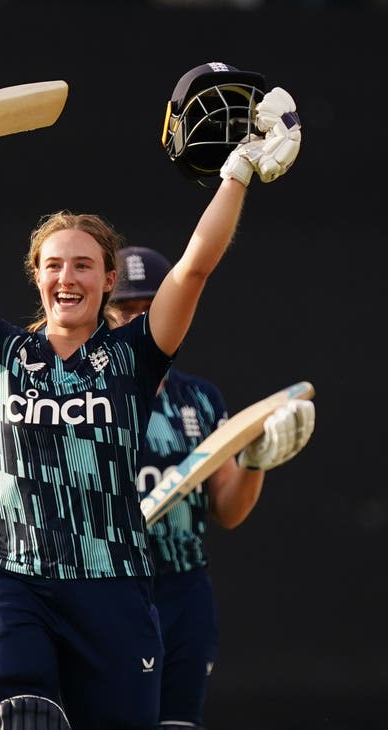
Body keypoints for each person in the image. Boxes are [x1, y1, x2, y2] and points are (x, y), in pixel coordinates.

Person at [0, 65, 301, 729]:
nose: (65, 277)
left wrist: (239, 171)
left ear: (108, 281)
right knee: (24, 717)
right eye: (52, 264)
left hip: (113, 590)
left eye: (82, 265)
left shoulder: (135, 357)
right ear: (36, 278)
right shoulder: (2, 352)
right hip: (15, 580)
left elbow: (194, 265)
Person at [111, 245, 315, 730]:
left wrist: (254, 463)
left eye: (151, 307)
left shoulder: (199, 400)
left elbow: (228, 510)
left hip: (183, 591)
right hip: (109, 588)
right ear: (104, 315)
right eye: (126, 310)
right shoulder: (84, 395)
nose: (141, 320)